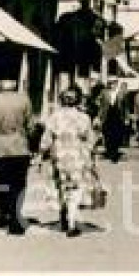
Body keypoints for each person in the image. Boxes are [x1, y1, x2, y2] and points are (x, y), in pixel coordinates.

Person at [0, 78, 36, 235]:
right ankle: (15, 218)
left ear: (0, 84)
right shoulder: (24, 100)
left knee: (3, 183)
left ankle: (4, 215)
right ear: (14, 84)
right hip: (20, 146)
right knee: (18, 184)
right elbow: (31, 126)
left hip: (0, 147)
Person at [41, 86, 96, 237]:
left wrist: (43, 151)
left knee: (60, 186)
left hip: (58, 155)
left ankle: (63, 216)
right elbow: (91, 139)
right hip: (77, 156)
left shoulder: (54, 117)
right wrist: (90, 154)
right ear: (77, 101)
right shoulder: (83, 118)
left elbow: (46, 138)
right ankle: (72, 223)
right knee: (75, 189)